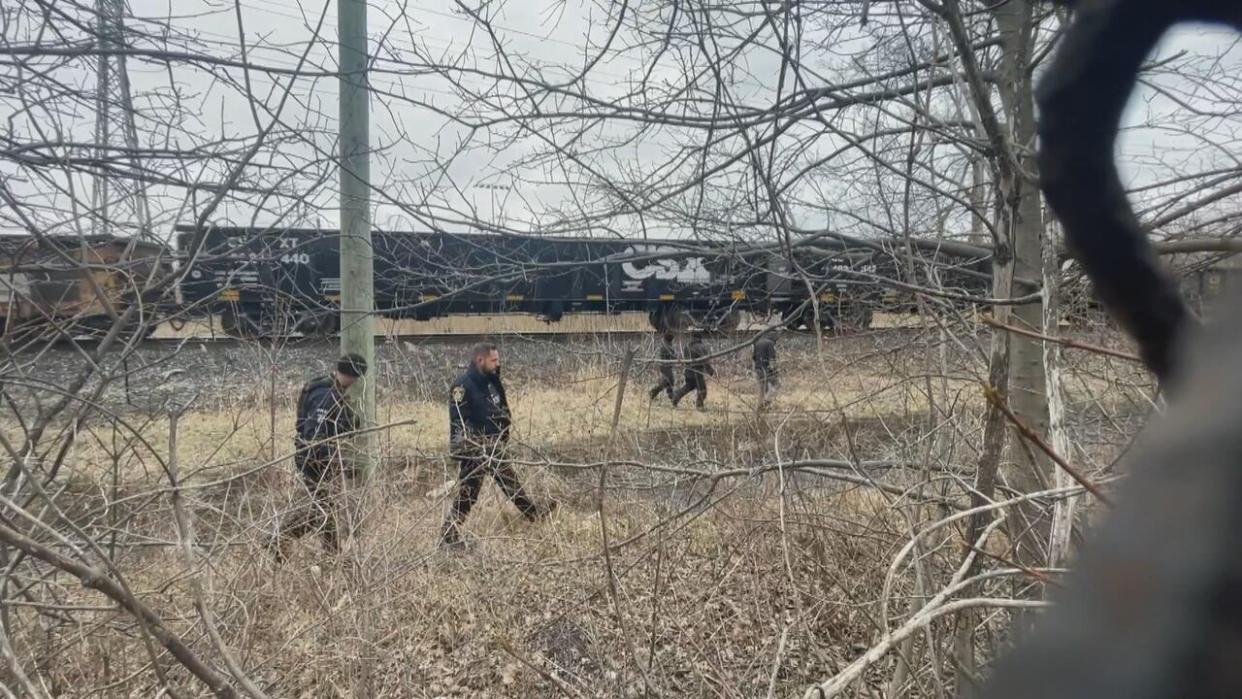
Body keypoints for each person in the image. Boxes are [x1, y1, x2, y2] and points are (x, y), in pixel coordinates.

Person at [441, 342, 553, 549]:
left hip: (493, 446)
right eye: (494, 360)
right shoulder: (462, 387)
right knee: (468, 495)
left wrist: (502, 432)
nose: (497, 364)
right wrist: (470, 447)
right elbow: (458, 421)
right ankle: (448, 536)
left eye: (498, 360)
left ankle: (533, 514)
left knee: (510, 482)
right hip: (474, 450)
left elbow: (500, 409)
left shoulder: (491, 382)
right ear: (480, 360)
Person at [270, 353, 366, 561]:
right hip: (314, 460)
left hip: (315, 457)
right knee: (321, 511)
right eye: (356, 376)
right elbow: (315, 437)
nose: (356, 382)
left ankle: (331, 552)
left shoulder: (330, 389)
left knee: (326, 506)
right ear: (351, 375)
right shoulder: (327, 396)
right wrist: (338, 461)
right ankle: (280, 539)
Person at [672, 331, 715, 409]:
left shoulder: (687, 347)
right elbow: (705, 360)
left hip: (688, 372)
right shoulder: (701, 347)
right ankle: (699, 406)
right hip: (697, 373)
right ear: (700, 338)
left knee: (688, 387)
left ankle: (675, 397)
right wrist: (710, 371)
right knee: (702, 390)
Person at [753, 330, 778, 407]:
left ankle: (759, 406)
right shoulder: (770, 344)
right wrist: (773, 370)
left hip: (758, 369)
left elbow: (753, 357)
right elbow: (772, 358)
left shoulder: (758, 343)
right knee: (776, 385)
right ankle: (767, 401)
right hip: (766, 369)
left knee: (762, 389)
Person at [648, 332, 677, 402]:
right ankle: (654, 392)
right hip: (666, 367)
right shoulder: (668, 347)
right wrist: (676, 355)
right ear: (670, 340)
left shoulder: (664, 346)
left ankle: (671, 395)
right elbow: (673, 357)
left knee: (669, 381)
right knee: (669, 381)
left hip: (664, 366)